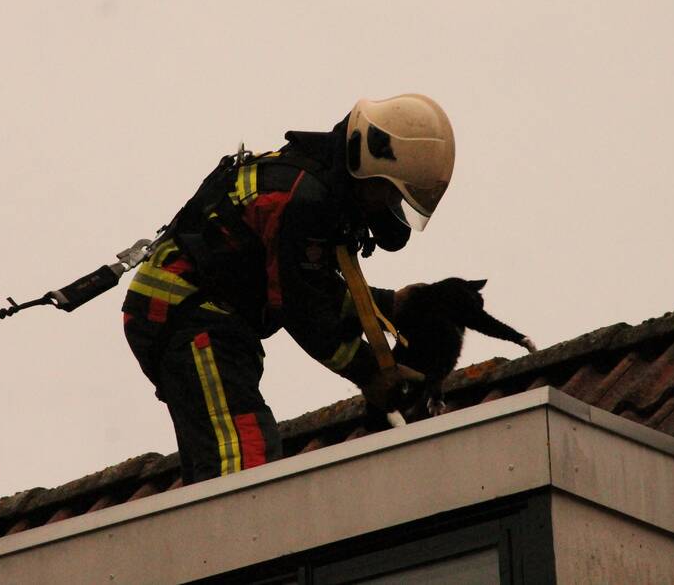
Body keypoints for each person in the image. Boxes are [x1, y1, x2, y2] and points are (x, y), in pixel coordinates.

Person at [122, 94, 455, 484]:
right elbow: (301, 308)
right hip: (190, 316)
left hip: (187, 314)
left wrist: (389, 305)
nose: (390, 204)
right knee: (244, 457)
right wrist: (371, 373)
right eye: (391, 191)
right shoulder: (305, 200)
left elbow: (310, 286)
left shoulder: (322, 192)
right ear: (370, 164)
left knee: (215, 464)